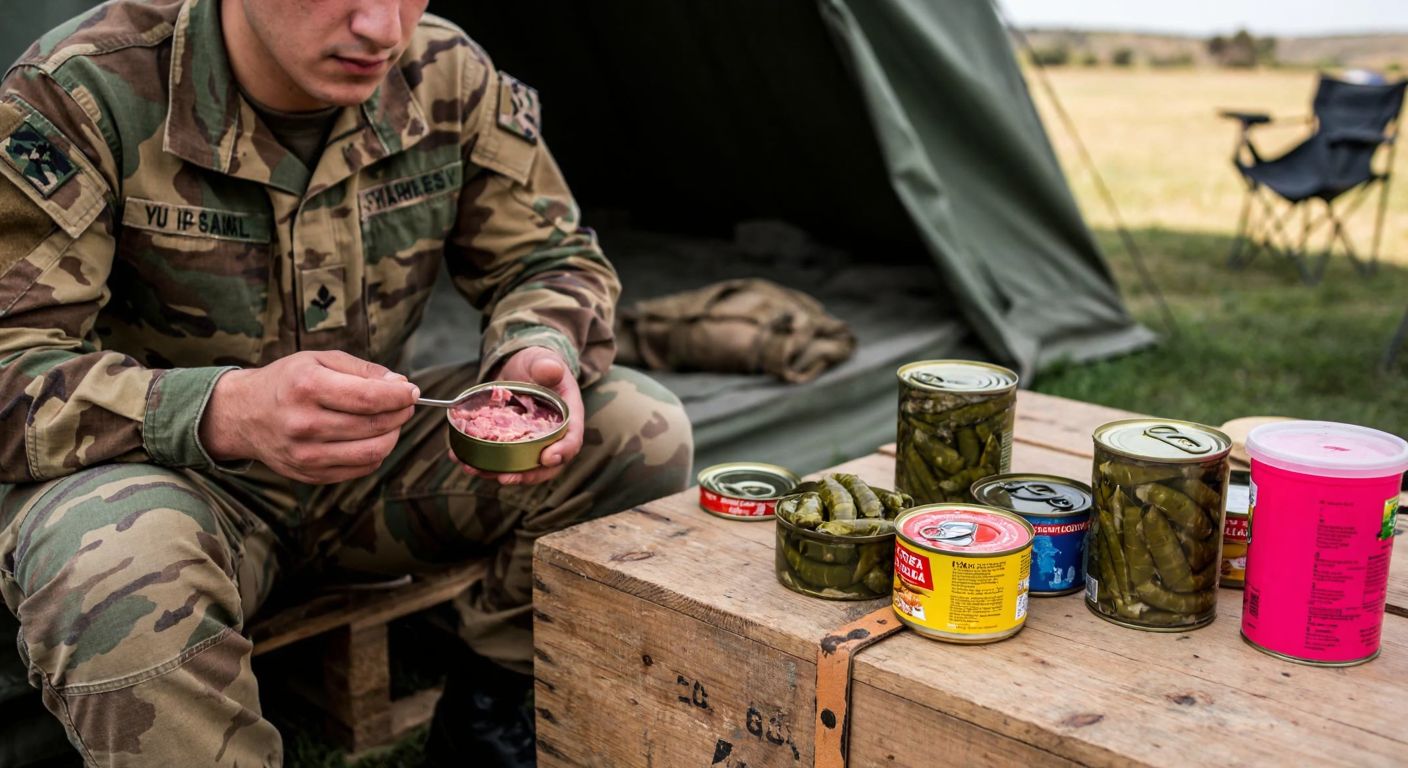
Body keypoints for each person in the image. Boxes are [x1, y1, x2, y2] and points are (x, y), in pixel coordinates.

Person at [0, 0, 694, 765]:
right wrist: (221, 410)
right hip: (170, 485)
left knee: (635, 427)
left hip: (372, 467)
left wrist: (534, 347)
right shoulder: (85, 91)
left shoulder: (444, 70)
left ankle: (495, 706)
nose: (382, 29)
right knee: (111, 570)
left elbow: (549, 257)